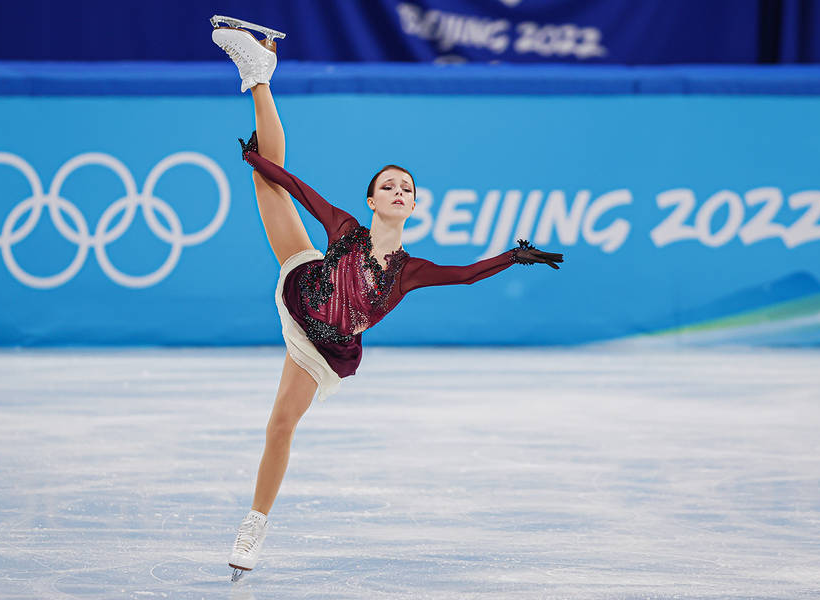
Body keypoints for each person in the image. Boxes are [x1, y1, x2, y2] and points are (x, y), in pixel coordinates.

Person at [211, 18, 563, 578]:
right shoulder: (347, 230)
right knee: (268, 185)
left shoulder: (410, 271)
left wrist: (511, 258)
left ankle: (253, 527)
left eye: (407, 188)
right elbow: (301, 190)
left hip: (324, 344)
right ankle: (259, 75)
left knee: (281, 424)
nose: (398, 191)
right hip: (307, 285)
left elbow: (467, 276)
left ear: (413, 206)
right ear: (372, 200)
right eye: (388, 186)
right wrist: (257, 162)